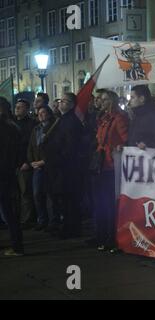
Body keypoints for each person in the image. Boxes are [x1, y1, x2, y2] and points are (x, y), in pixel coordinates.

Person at [43, 93, 83, 239]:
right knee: (64, 199)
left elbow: (70, 145)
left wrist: (59, 158)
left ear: (71, 104)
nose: (60, 103)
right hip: (60, 166)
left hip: (67, 167)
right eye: (60, 100)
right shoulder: (62, 120)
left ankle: (70, 228)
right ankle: (67, 225)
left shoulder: (71, 121)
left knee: (69, 199)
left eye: (64, 101)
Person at [92, 90, 128, 253]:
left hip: (112, 165)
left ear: (111, 101)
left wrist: (120, 147)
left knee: (111, 205)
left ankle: (113, 238)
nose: (102, 101)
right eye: (101, 99)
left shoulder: (118, 118)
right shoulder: (103, 119)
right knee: (103, 204)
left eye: (105, 99)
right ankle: (104, 235)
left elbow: (126, 138)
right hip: (102, 164)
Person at [0, 97, 24, 256]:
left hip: (3, 173)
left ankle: (17, 247)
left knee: (8, 211)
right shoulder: (13, 127)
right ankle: (17, 245)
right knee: (9, 210)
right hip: (9, 173)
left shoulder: (5, 128)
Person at [27, 106, 56, 231]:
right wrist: (31, 161)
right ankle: (41, 219)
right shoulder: (36, 129)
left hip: (48, 166)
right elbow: (30, 147)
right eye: (39, 113)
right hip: (37, 166)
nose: (41, 115)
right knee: (37, 193)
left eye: (43, 112)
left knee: (50, 195)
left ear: (49, 114)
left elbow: (55, 148)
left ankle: (52, 221)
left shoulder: (54, 128)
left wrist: (44, 161)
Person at [14, 98, 37, 226]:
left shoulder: (31, 124)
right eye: (16, 106)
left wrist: (27, 162)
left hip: (24, 164)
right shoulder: (12, 123)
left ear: (27, 109)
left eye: (21, 107)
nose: (17, 108)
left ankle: (28, 219)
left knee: (26, 192)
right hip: (13, 164)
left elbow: (31, 146)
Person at [127, 85, 155, 149]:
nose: (129, 101)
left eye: (132, 97)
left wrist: (148, 144)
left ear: (141, 99)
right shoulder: (137, 116)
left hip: (151, 157)